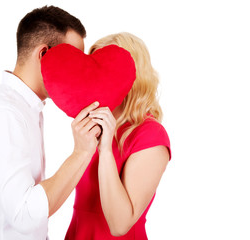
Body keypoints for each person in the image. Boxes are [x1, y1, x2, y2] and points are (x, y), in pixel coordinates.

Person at [0, 6, 102, 240]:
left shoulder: (26, 108)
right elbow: (25, 215)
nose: (79, 73)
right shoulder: (3, 114)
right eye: (74, 60)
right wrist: (81, 153)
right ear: (43, 54)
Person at [65, 32, 171, 239]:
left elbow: (119, 225)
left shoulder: (151, 135)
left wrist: (105, 151)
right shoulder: (94, 123)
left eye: (105, 69)